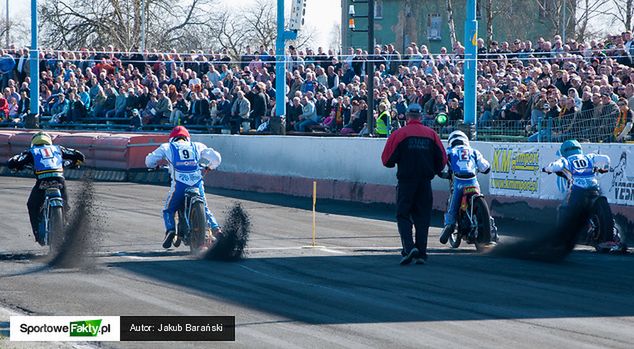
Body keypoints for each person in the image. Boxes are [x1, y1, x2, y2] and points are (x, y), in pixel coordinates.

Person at [381, 103, 447, 265]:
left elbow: (386, 160)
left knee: (403, 215)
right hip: (425, 181)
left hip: (406, 181)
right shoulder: (431, 134)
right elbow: (442, 159)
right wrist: (435, 169)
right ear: (421, 116)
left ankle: (409, 248)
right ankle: (421, 253)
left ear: (407, 117)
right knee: (422, 217)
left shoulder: (399, 134)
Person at [145, 126, 223, 249]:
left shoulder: (167, 147)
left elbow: (149, 160)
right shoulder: (197, 145)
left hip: (179, 185)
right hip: (196, 183)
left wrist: (154, 166)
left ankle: (170, 230)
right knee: (205, 208)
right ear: (187, 138)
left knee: (168, 210)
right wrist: (209, 167)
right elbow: (217, 158)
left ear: (172, 138)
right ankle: (216, 229)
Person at [7, 132, 85, 245]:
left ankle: (37, 234)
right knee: (66, 206)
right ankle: (67, 227)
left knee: (32, 205)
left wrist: (16, 166)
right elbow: (79, 156)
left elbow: (14, 162)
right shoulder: (59, 149)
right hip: (59, 180)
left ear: (33, 143)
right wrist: (74, 163)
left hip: (42, 181)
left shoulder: (31, 152)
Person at [542, 140, 615, 250]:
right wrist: (605, 168)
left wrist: (546, 169)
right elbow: (606, 159)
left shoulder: (565, 160)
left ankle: (562, 238)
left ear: (564, 151)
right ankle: (612, 235)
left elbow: (555, 166)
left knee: (563, 208)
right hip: (594, 189)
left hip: (578, 191)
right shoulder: (589, 157)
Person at [439, 131, 491, 244]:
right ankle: (491, 225)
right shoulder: (474, 151)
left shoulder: (449, 151)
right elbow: (486, 167)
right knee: (480, 196)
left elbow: (440, 165)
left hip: (459, 181)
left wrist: (442, 173)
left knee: (452, 207)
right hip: (473, 181)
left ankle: (449, 225)